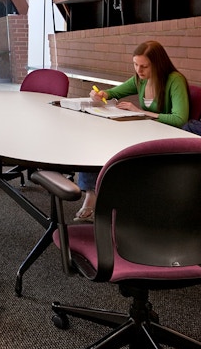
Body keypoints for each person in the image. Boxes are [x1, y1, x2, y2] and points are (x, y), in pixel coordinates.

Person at [74, 40, 190, 221]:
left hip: (166, 140)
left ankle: (117, 202)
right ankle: (92, 195)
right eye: (135, 64)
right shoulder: (140, 79)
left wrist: (141, 111)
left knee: (111, 146)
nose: (138, 70)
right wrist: (101, 94)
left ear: (158, 64)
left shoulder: (174, 80)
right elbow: (114, 92)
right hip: (144, 132)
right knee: (96, 139)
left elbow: (179, 119)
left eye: (144, 66)